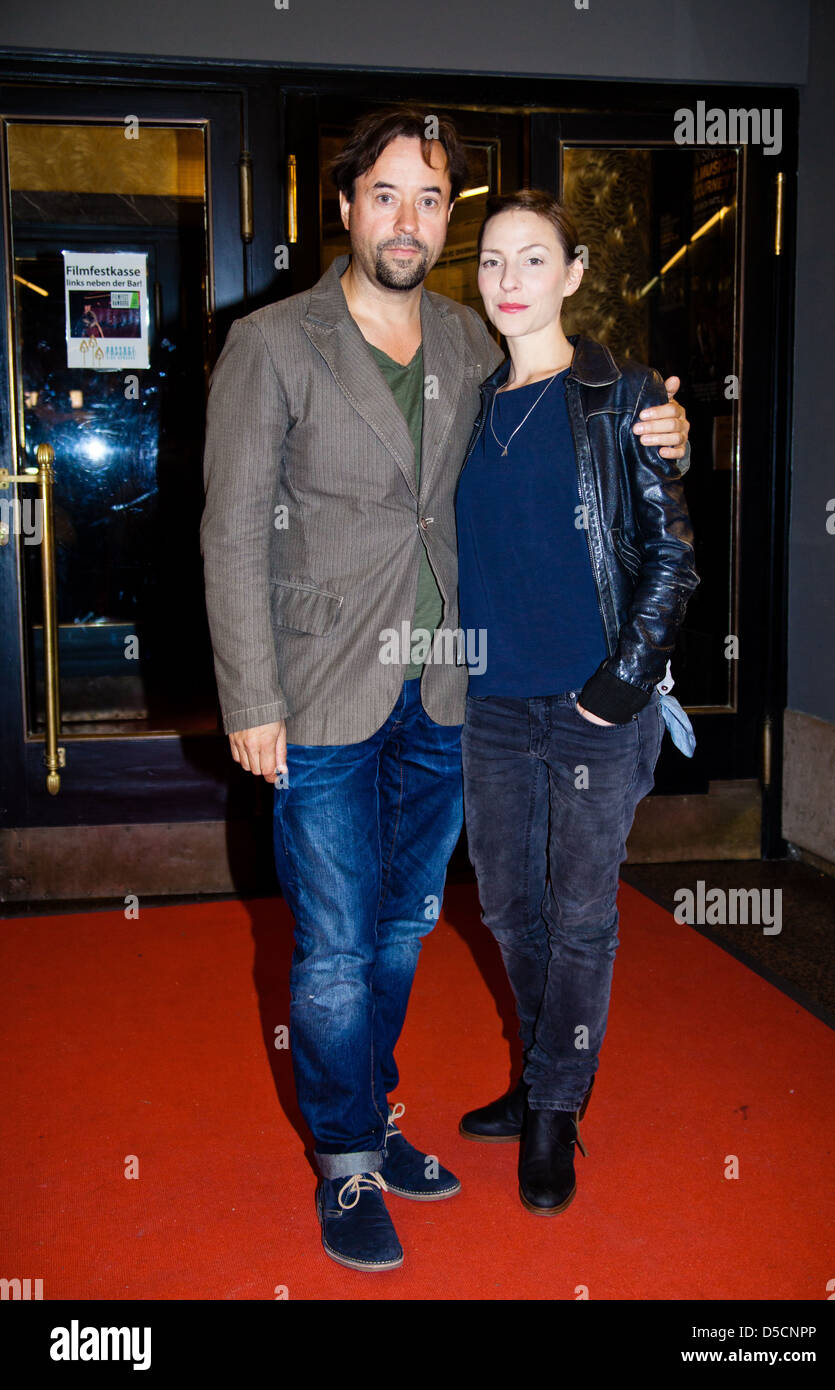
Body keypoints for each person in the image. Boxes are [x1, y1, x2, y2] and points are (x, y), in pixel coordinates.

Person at [199, 107, 691, 1272]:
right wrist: (248, 698)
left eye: (430, 200)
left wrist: (653, 419)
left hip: (449, 701)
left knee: (402, 932)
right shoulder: (272, 344)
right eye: (384, 194)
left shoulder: (476, 343)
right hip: (316, 696)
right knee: (326, 949)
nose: (406, 219)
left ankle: (375, 1121)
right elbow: (229, 532)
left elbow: (575, 385)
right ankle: (343, 1160)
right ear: (345, 207)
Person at [455, 189, 699, 1214]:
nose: (508, 281)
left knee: (579, 915)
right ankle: (539, 1067)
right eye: (491, 262)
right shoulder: (464, 404)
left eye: (531, 260)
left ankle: (553, 1104)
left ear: (572, 274)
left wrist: (619, 683)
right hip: (489, 704)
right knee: (509, 905)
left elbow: (671, 558)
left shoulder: (622, 393)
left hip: (595, 702)